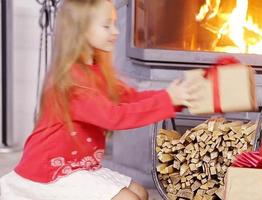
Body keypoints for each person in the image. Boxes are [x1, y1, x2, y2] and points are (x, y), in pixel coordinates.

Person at [0, 0, 202, 199]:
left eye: (114, 23)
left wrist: (174, 99)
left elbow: (131, 98)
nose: (116, 32)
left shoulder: (97, 71)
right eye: (106, 26)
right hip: (50, 170)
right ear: (80, 31)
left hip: (81, 163)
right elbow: (114, 117)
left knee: (140, 193)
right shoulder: (72, 83)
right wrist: (167, 100)